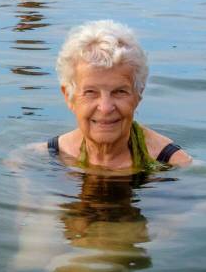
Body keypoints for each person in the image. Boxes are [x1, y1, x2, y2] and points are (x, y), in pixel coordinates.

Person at [47, 20, 190, 170]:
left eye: (119, 92)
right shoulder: (47, 157)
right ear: (68, 96)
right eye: (90, 92)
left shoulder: (173, 164)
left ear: (138, 94)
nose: (105, 108)